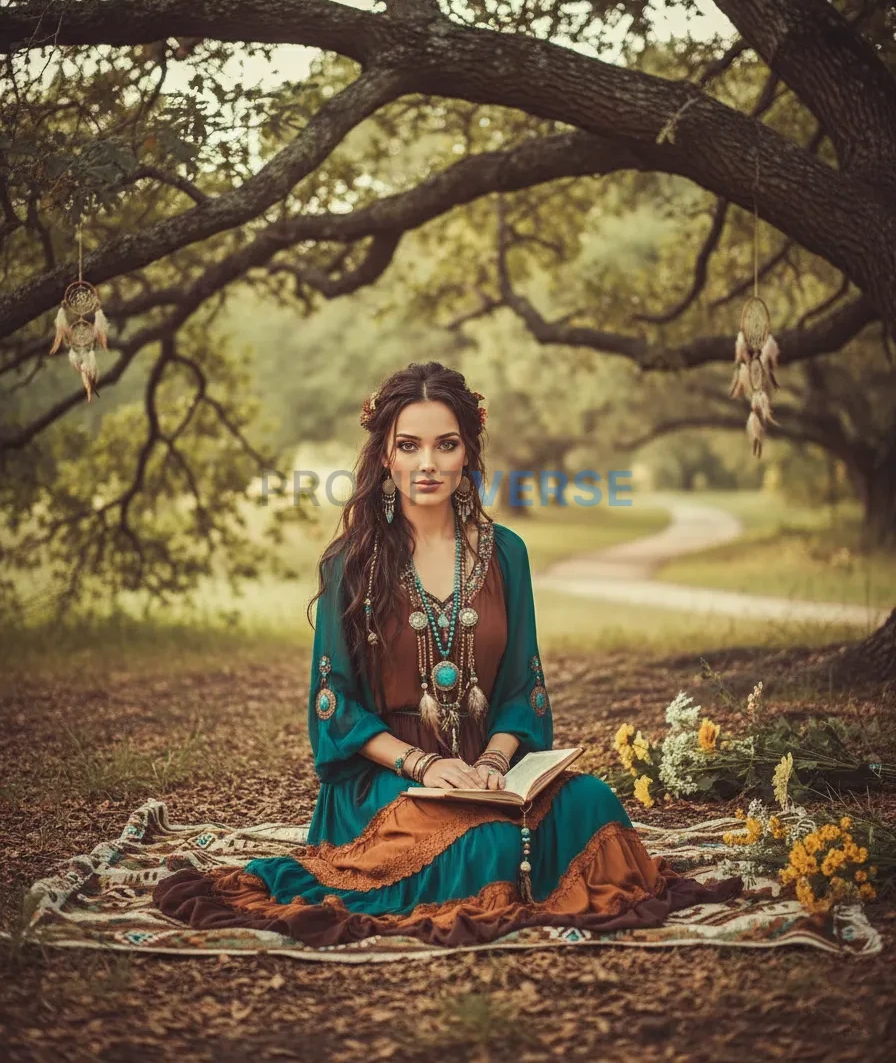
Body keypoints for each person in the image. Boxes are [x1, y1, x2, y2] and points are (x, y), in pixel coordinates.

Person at [153, 361, 742, 947]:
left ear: (467, 455)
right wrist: (425, 766)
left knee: (593, 801)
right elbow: (335, 709)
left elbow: (523, 690)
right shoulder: (350, 564)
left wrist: (493, 762)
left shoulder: (506, 553)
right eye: (409, 445)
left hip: (487, 770)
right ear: (386, 457)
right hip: (386, 780)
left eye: (446, 444)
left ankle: (505, 834)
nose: (428, 463)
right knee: (490, 842)